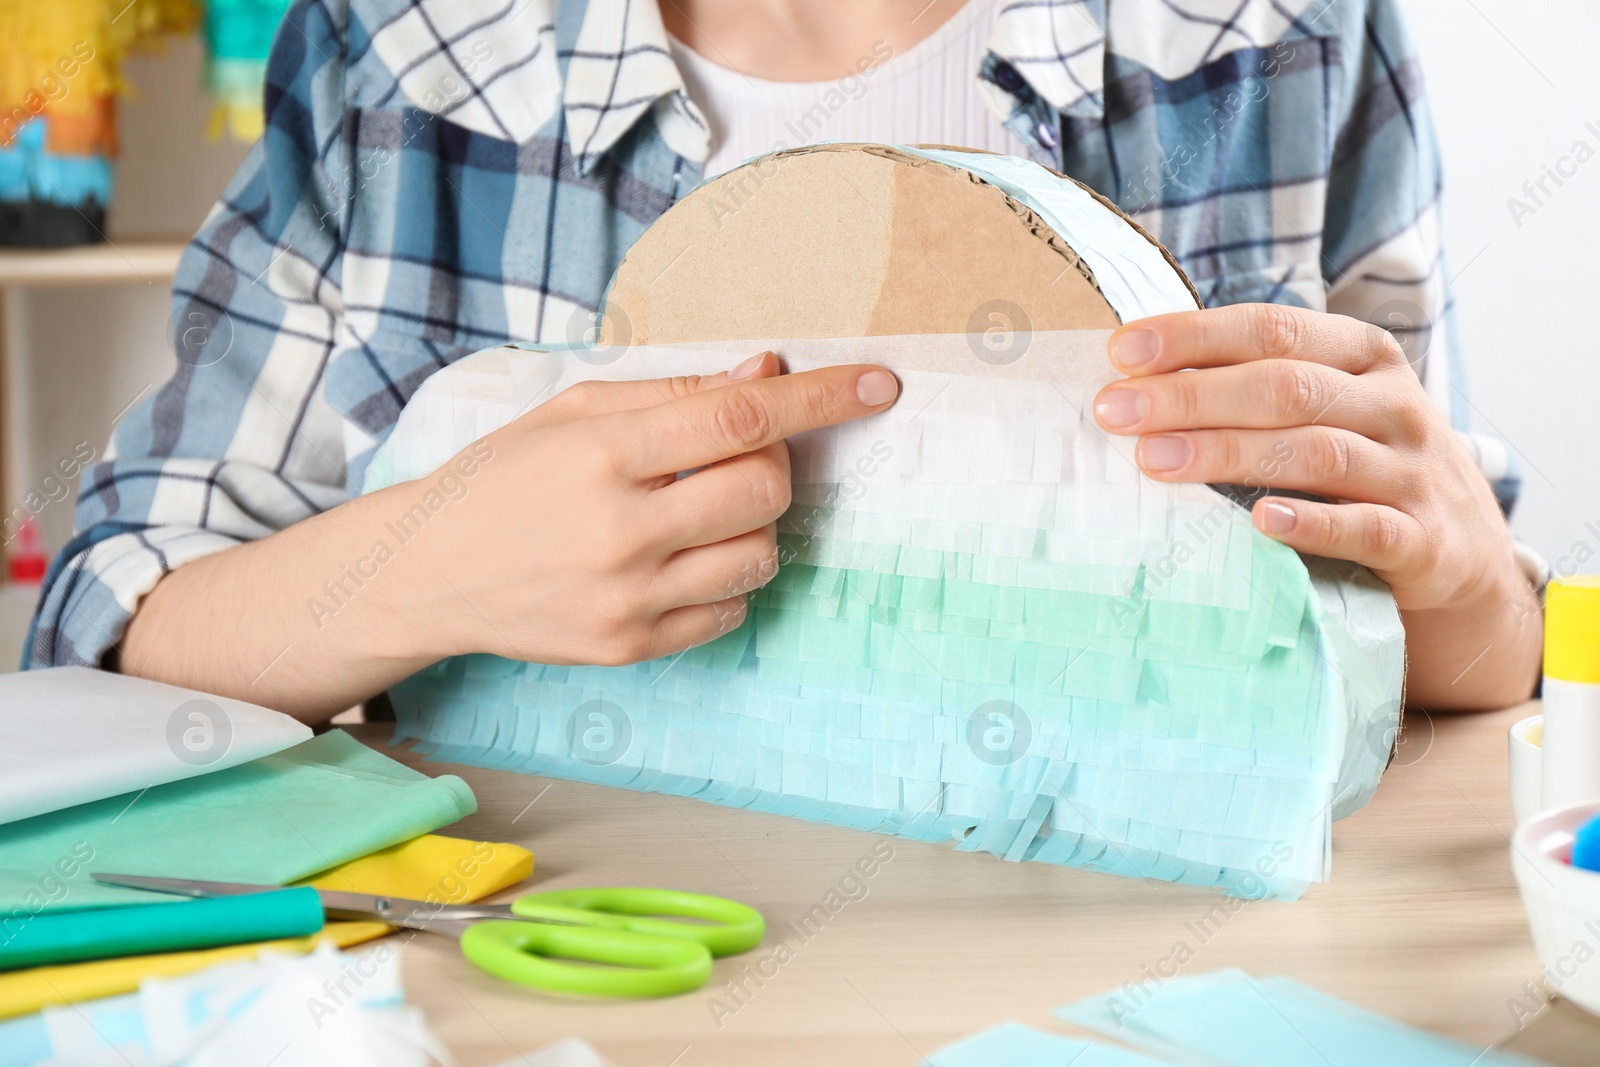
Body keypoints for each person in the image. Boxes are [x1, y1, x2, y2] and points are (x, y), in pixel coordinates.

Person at [25, 0, 1541, 720]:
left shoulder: (1276, 35)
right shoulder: (406, 52)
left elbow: (1486, 662)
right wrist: (421, 563)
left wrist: (1474, 586)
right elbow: (108, 630)